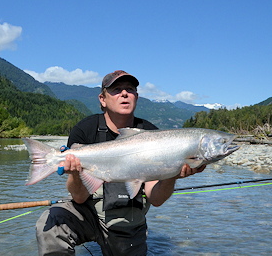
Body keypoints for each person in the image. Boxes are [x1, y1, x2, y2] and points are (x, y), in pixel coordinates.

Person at [36, 70, 205, 255]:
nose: (124, 93)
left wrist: (172, 175)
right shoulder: (85, 130)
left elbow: (155, 199)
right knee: (52, 222)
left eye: (130, 89)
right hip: (87, 212)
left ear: (137, 97)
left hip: (127, 223)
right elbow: (79, 197)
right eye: (116, 89)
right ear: (102, 99)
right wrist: (76, 174)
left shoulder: (153, 135)